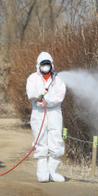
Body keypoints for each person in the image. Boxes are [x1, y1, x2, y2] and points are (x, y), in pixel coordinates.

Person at [26, 52, 67, 183]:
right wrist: (39, 94)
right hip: (38, 113)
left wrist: (47, 102)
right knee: (40, 140)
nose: (45, 66)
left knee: (56, 141)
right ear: (38, 65)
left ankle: (53, 172)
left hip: (54, 112)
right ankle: (42, 173)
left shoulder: (58, 79)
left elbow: (60, 96)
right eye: (43, 64)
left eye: (47, 64)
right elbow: (30, 93)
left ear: (51, 65)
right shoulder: (33, 78)